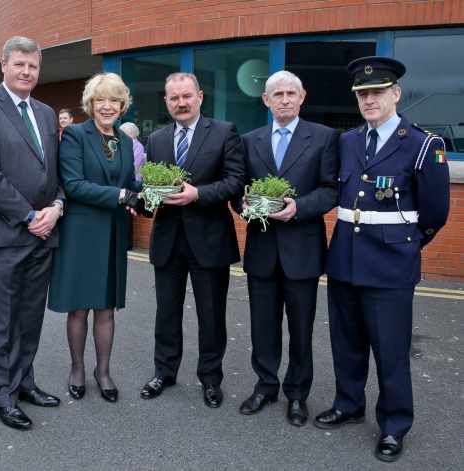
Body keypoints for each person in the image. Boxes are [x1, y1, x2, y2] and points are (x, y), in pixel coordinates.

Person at [314, 57, 450, 462]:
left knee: (390, 351)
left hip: (390, 265)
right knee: (347, 343)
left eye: (376, 92)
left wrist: (405, 247)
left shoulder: (423, 144)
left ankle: (394, 425)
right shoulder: (349, 141)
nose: (369, 100)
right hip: (344, 260)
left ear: (396, 93)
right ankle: (348, 404)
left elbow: (435, 214)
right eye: (361, 94)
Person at [0, 36, 64, 430]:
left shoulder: (44, 112)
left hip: (43, 232)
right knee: (4, 320)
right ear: (3, 65)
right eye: (19, 64)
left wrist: (55, 208)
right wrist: (27, 215)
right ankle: (2, 395)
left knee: (30, 317)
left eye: (33, 66)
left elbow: (54, 173)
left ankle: (25, 382)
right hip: (5, 234)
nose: (26, 72)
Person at [238, 71, 338, 426]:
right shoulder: (250, 140)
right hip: (262, 251)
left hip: (303, 252)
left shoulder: (325, 138)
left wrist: (299, 208)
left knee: (301, 328)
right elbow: (240, 189)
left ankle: (297, 394)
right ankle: (266, 386)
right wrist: (244, 205)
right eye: (277, 94)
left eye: (290, 93)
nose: (284, 99)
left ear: (302, 96)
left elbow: (330, 189)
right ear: (265, 100)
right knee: (262, 326)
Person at [139, 72, 245, 408]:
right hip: (169, 239)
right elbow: (153, 188)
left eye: (187, 96)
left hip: (210, 239)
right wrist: (144, 198)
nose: (181, 103)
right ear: (166, 102)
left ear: (200, 96)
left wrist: (198, 193)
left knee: (211, 315)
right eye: (174, 98)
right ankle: (164, 372)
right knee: (166, 313)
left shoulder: (225, 132)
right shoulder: (156, 139)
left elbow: (235, 181)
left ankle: (211, 379)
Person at [48, 73, 141, 403]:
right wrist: (121, 196)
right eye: (100, 99)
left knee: (106, 308)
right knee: (79, 309)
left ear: (122, 106)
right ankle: (77, 368)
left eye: (114, 100)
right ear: (90, 104)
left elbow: (130, 181)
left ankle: (103, 372)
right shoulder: (74, 135)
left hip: (114, 231)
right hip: (82, 232)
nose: (107, 106)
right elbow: (73, 185)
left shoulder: (125, 141)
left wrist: (150, 194)